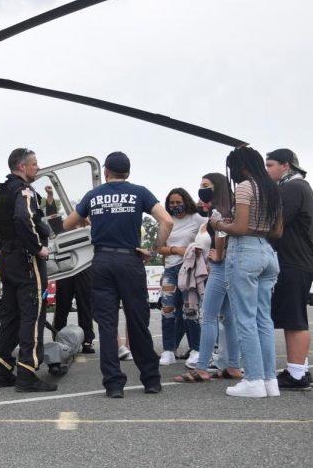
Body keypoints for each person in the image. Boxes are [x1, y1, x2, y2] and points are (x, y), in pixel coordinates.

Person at [62, 151, 172, 398]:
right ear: (128, 173)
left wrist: (94, 220)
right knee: (137, 321)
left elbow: (68, 224)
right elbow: (167, 222)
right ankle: (151, 380)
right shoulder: (139, 192)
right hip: (130, 260)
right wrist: (153, 250)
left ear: (106, 172)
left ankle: (113, 384)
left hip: (102, 261)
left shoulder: (93, 195)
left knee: (107, 324)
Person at [0, 147, 56, 392]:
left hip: (8, 263)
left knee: (9, 317)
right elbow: (23, 219)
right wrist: (37, 248)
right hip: (26, 261)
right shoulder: (24, 191)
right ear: (22, 167)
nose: (37, 167)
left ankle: (1, 370)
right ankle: (28, 374)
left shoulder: (2, 192)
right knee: (33, 315)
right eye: (34, 164)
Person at [212, 146, 282, 397]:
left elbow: (239, 227)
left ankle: (253, 380)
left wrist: (218, 223)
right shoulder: (273, 188)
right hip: (267, 253)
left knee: (245, 318)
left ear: (240, 167)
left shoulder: (245, 187)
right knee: (264, 319)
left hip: (245, 254)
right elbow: (277, 232)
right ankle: (269, 381)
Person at [174, 172, 242, 383]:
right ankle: (232, 365)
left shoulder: (220, 212)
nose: (201, 188)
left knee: (209, 317)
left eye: (206, 185)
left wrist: (219, 254)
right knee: (228, 319)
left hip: (219, 268)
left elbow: (223, 234)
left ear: (218, 187)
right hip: (226, 268)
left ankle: (202, 367)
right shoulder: (223, 210)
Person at [265, 148, 313, 390]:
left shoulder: (294, 187)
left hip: (293, 262)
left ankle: (296, 374)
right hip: (299, 261)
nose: (267, 170)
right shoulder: (299, 187)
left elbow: (278, 221)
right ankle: (299, 368)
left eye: (270, 165)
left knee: (295, 319)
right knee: (294, 318)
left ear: (286, 166)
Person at [156, 188, 206, 367]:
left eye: (178, 202)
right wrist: (176, 250)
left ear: (186, 201)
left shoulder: (197, 219)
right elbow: (158, 247)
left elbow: (208, 237)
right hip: (170, 269)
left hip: (189, 269)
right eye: (171, 203)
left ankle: (196, 349)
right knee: (167, 310)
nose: (175, 206)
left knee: (190, 310)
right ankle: (168, 350)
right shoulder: (166, 221)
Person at [44, 185, 96, 353]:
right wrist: (50, 196)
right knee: (62, 304)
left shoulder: (89, 228)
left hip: (84, 269)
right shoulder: (62, 227)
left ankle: (87, 340)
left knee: (85, 304)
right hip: (66, 270)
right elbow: (51, 217)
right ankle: (58, 336)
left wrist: (88, 222)